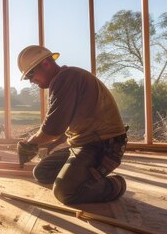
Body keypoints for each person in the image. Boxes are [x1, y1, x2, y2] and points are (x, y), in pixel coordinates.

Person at [16, 45, 128, 204]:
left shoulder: (66, 78)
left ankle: (115, 185)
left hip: (103, 145)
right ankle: (81, 174)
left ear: (46, 64)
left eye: (31, 74)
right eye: (27, 77)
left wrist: (30, 143)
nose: (31, 81)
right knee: (42, 172)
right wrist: (49, 146)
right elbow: (65, 127)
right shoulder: (67, 79)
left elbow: (53, 128)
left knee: (65, 192)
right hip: (84, 143)